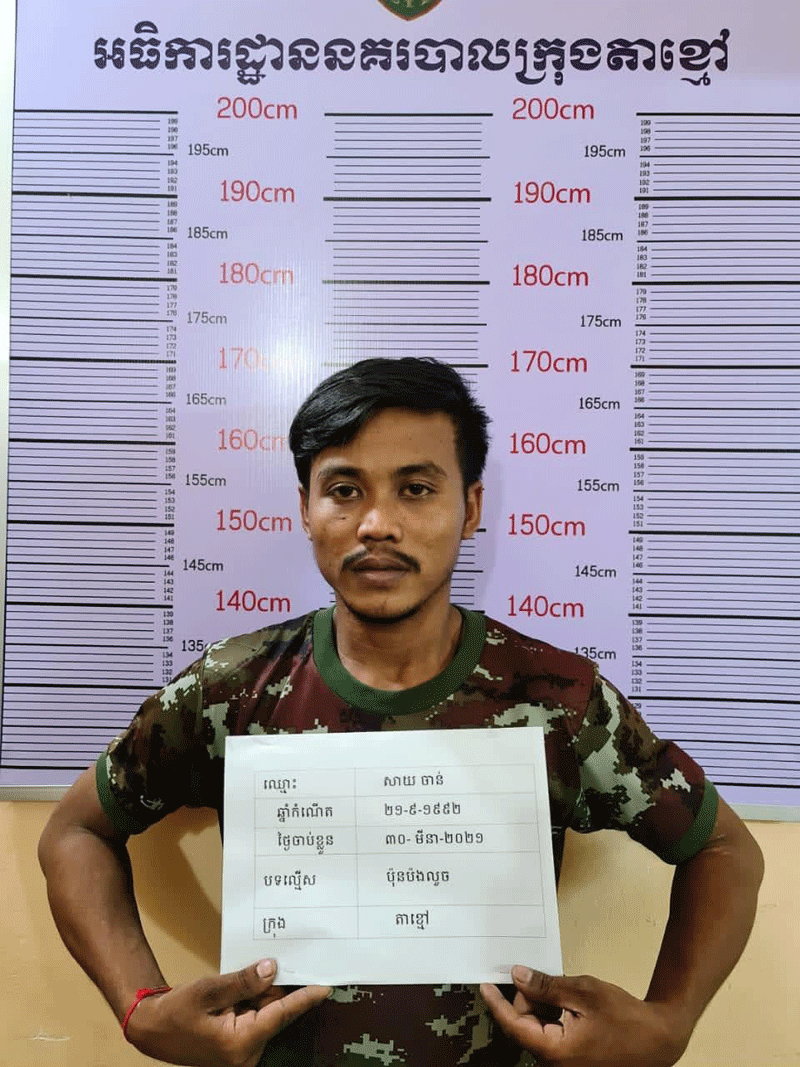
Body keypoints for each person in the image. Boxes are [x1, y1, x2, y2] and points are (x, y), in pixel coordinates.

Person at [39, 357, 763, 1067]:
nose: (377, 523)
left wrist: (669, 1023)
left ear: (470, 508)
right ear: (305, 508)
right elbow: (75, 833)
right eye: (344, 490)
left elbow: (725, 852)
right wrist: (140, 1009)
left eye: (416, 489)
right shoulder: (231, 689)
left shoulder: (555, 698)